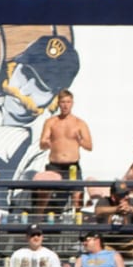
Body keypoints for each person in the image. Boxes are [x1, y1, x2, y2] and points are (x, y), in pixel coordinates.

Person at [34, 90, 93, 220]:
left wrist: (80, 140)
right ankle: (38, 220)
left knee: (77, 196)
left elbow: (89, 146)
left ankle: (78, 226)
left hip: (72, 166)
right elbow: (42, 144)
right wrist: (47, 143)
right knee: (43, 193)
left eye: (68, 102)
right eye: (63, 102)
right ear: (58, 104)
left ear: (72, 103)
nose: (65, 105)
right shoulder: (51, 122)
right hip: (55, 165)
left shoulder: (79, 123)